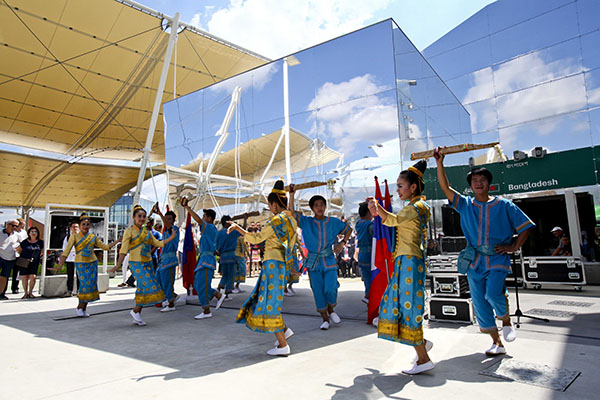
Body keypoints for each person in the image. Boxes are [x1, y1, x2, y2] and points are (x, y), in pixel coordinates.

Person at [434, 146, 535, 357]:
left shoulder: (505, 205)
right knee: (479, 301)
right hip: (474, 260)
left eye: (482, 180)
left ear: (489, 183)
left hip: (497, 257)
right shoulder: (465, 204)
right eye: (474, 181)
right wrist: (439, 162)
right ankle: (496, 342)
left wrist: (514, 246)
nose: (478, 183)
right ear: (470, 185)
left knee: (493, 293)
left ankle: (506, 321)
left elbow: (526, 226)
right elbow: (445, 188)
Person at [367, 160, 434, 375]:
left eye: (400, 186)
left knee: (408, 308)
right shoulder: (417, 207)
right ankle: (421, 344)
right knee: (403, 305)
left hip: (409, 261)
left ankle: (423, 358)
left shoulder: (417, 207)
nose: (397, 190)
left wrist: (377, 210)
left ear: (413, 187)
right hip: (408, 260)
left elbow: (393, 220)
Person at [228, 180, 298, 356]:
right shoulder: (291, 220)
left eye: (269, 204)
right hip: (281, 264)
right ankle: (285, 330)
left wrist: (239, 229)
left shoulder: (275, 221)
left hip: (272, 265)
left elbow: (256, 238)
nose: (269, 207)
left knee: (270, 302)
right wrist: (291, 196)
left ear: (274, 204)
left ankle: (283, 345)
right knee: (269, 299)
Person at [289, 187, 352, 330]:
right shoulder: (306, 222)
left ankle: (331, 309)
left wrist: (342, 243)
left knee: (330, 288)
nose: (319, 208)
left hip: (328, 259)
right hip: (313, 262)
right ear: (312, 208)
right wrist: (291, 195)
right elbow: (291, 213)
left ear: (325, 206)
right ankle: (325, 319)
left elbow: (348, 229)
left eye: (321, 205)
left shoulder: (333, 222)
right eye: (316, 205)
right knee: (317, 290)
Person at [109, 205, 176, 326]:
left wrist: (171, 238)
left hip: (148, 262)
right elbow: (123, 250)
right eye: (139, 216)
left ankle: (136, 312)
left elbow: (158, 243)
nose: (142, 218)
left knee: (142, 289)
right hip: (136, 263)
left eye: (144, 217)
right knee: (151, 284)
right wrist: (118, 265)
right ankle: (165, 300)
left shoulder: (147, 232)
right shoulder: (129, 231)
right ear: (134, 217)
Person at [56, 213, 119, 317]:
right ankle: (80, 307)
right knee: (84, 286)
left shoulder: (93, 237)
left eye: (87, 224)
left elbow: (105, 247)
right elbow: (66, 252)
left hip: (92, 263)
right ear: (80, 226)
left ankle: (84, 308)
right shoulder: (74, 237)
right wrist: (60, 265)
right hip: (81, 263)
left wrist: (117, 241)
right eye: (83, 224)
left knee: (90, 286)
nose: (85, 227)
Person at [180, 200, 226, 320]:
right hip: (204, 259)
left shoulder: (209, 227)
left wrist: (188, 209)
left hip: (206, 260)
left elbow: (199, 221)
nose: (202, 218)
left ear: (209, 219)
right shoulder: (210, 230)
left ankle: (207, 308)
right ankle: (216, 296)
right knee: (199, 284)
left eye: (204, 216)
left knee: (201, 284)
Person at [152, 204, 180, 312]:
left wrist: (159, 213)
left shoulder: (174, 229)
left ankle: (171, 303)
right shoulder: (165, 232)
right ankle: (172, 297)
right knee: (158, 281)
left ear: (173, 221)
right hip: (163, 261)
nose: (167, 221)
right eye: (166, 218)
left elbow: (168, 226)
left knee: (167, 282)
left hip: (170, 260)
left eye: (169, 219)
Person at [16, 227, 43, 299]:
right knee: (24, 277)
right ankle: (25, 293)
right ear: (29, 233)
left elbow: (43, 251)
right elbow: (18, 250)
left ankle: (30, 292)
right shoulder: (24, 242)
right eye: (32, 232)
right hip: (24, 261)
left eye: (35, 232)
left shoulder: (40, 242)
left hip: (34, 262)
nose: (33, 233)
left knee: (33, 277)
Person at [216, 215, 240, 296]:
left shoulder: (219, 233)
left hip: (223, 256)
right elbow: (242, 230)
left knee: (225, 274)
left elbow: (216, 246)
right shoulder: (232, 231)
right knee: (230, 275)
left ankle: (220, 286)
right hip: (231, 256)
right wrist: (245, 218)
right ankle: (227, 292)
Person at [355, 202, 374, 304]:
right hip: (370, 255)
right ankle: (368, 296)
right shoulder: (370, 225)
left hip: (362, 254)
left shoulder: (358, 224)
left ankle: (368, 297)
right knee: (374, 279)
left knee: (367, 280)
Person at [0, 220, 20, 300]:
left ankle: (1, 293)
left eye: (16, 226)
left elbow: (22, 244)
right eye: (13, 225)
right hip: (0, 256)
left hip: (10, 259)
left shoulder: (17, 235)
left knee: (5, 277)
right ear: (7, 225)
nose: (14, 228)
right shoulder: (0, 233)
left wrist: (17, 249)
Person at [9, 219, 28, 294]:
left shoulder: (24, 232)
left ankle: (15, 288)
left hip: (20, 254)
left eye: (24, 224)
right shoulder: (12, 233)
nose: (23, 226)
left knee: (17, 272)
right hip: (11, 253)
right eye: (22, 224)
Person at [63, 221, 80, 295]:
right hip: (70, 258)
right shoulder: (67, 237)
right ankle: (70, 290)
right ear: (70, 228)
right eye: (73, 227)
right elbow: (64, 248)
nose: (75, 228)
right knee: (70, 275)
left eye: (76, 227)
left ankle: (79, 290)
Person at [233, 226, 249, 293]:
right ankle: (235, 286)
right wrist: (248, 255)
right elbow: (245, 247)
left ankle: (235, 286)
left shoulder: (235, 238)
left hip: (235, 256)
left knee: (236, 272)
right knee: (239, 272)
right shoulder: (240, 239)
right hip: (239, 256)